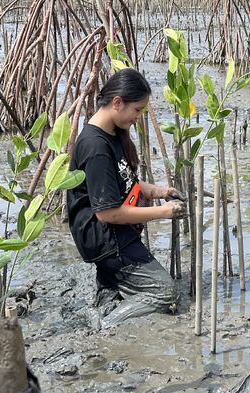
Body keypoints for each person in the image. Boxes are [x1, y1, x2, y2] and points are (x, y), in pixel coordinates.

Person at [66, 68, 187, 327]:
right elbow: (107, 212)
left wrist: (160, 191)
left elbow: (123, 181)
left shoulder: (112, 132)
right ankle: (106, 323)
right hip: (105, 237)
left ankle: (111, 287)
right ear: (117, 102)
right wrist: (165, 212)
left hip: (114, 231)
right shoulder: (95, 146)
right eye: (137, 110)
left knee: (136, 287)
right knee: (167, 294)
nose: (138, 117)